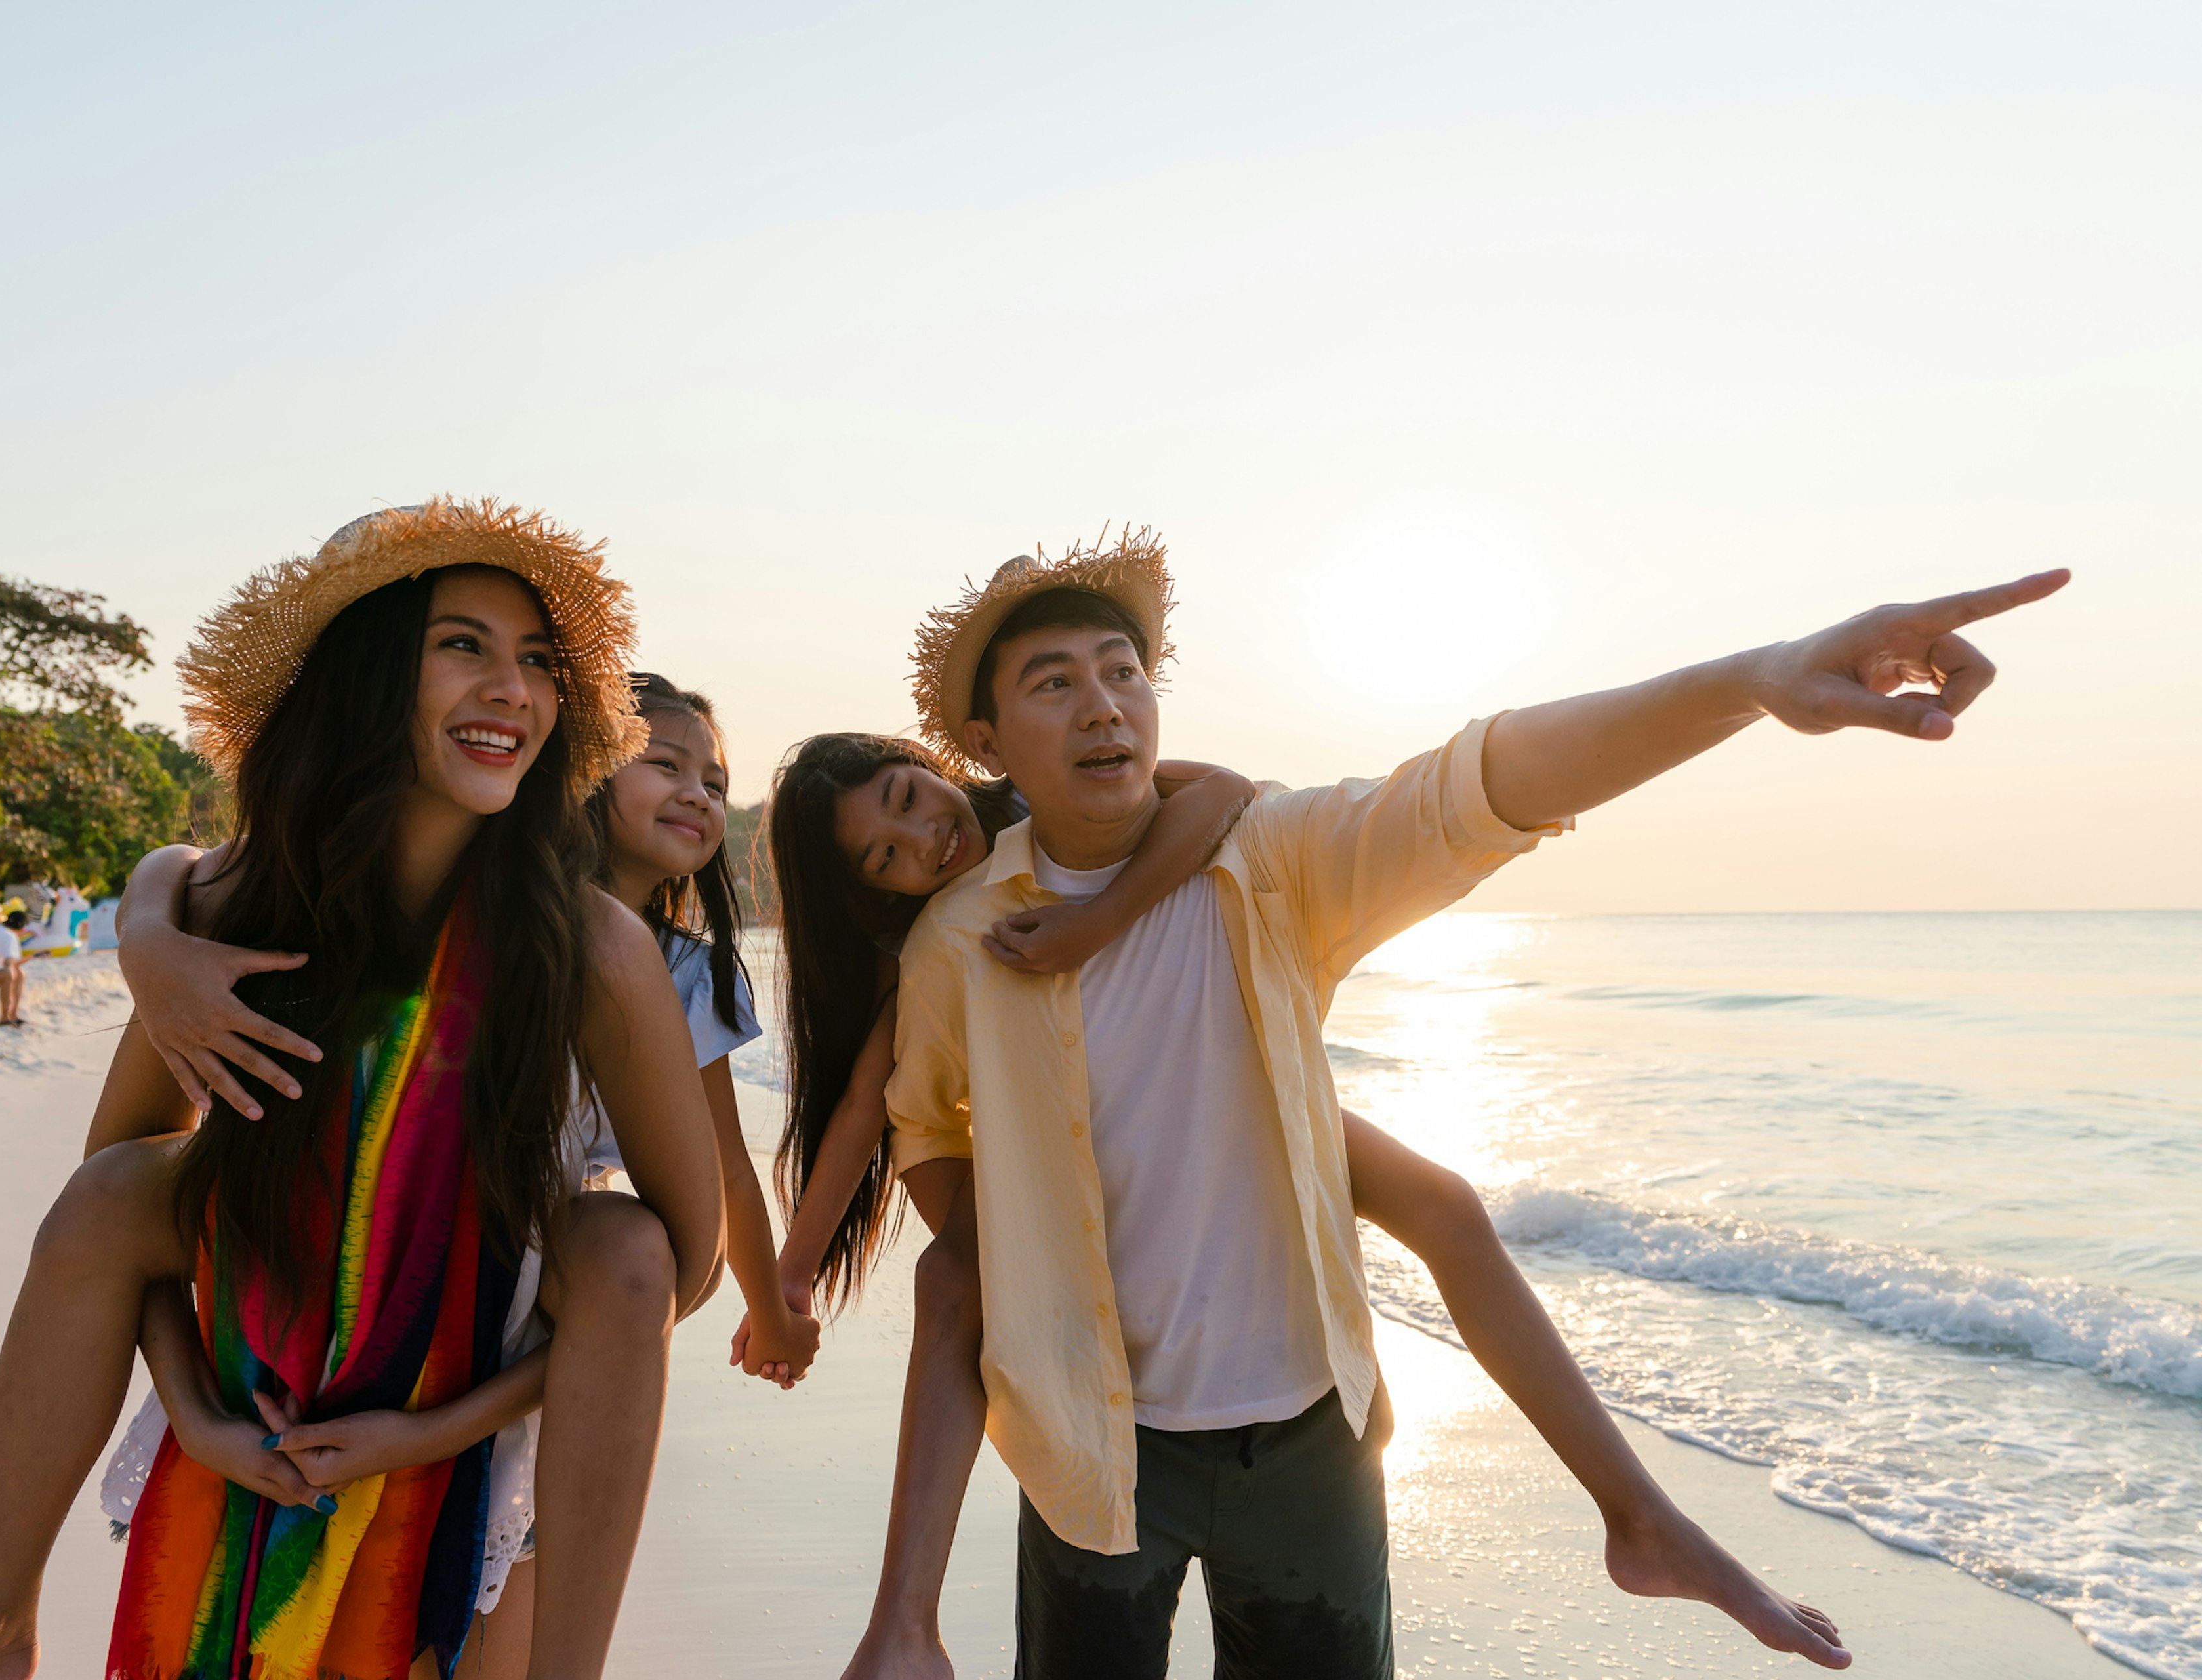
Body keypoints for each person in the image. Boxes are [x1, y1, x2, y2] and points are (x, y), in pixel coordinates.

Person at [884, 531, 2066, 1678]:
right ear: (987, 741)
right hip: (1089, 1449)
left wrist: (1752, 680)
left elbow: (1480, 783)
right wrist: (1017, 1267)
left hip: (1307, 1440)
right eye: (1055, 684)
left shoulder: (1273, 858)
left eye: (1123, 672)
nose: (1103, 707)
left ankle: (1643, 1524)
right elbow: (927, 1125)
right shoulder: (965, 939)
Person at [0, 499, 724, 1680]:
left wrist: (433, 1428)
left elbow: (685, 1270)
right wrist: (195, 1413)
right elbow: (109, 1210)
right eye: (461, 645)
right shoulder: (238, 911)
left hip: (488, 1362)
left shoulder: (588, 948)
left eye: (536, 661)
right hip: (267, 1342)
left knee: (625, 1241)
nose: (512, 689)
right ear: (366, 676)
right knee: (114, 1191)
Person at [760, 729, 1839, 1680]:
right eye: (886, 857)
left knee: (1446, 1205)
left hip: (1224, 1103)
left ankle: (1640, 1517)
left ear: (934, 759)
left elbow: (1224, 790)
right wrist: (796, 1271)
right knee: (955, 1274)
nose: (924, 839)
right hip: (1066, 1152)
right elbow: (868, 1104)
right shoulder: (950, 930)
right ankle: (903, 1625)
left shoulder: (1049, 796)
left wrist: (1099, 921)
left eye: (909, 798)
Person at [111, 667, 811, 1665]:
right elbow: (187, 867)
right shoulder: (464, 917)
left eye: (716, 778)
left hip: (527, 1306)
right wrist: (145, 930)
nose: (698, 793)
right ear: (580, 770)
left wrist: (770, 1306)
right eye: (665, 764)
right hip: (364, 1266)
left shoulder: (680, 967)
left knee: (490, 1621)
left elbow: (721, 1171)